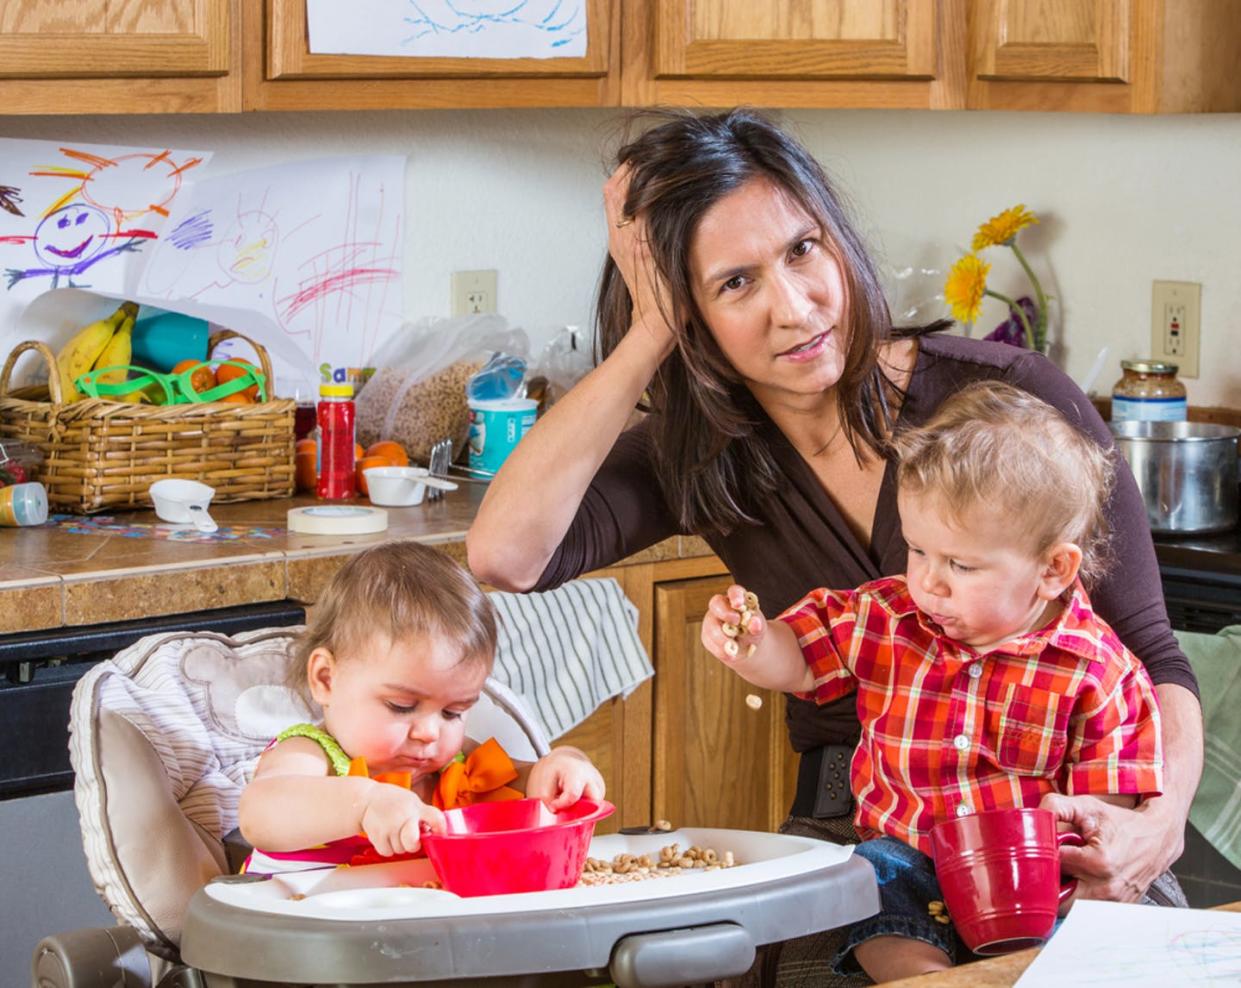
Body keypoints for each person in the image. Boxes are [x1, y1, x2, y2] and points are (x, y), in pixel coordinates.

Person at [466, 107, 1199, 919]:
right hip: (857, 836)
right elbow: (505, 555)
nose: (795, 306)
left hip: (1063, 840)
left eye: (801, 250)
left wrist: (1156, 828)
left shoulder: (1006, 403)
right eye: (733, 283)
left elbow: (1151, 651)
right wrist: (646, 333)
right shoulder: (697, 453)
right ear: (688, 312)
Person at [699, 381, 1163, 981]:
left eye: (961, 565)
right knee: (868, 881)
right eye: (919, 551)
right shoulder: (886, 617)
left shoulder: (1100, 670)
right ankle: (921, 978)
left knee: (1094, 926)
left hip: (1032, 877)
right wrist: (755, 643)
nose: (930, 584)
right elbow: (800, 660)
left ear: (1053, 568)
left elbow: (1111, 806)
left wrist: (1078, 826)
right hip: (908, 857)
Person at [238, 541, 604, 870]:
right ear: (326, 680)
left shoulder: (453, 763)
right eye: (401, 706)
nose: (430, 732)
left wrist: (563, 766)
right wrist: (364, 804)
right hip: (300, 935)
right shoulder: (310, 755)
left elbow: (528, 780)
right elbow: (259, 813)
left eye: (453, 713)